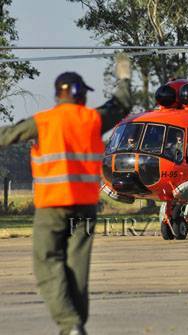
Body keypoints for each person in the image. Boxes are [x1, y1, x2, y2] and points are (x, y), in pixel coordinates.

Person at [0, 54, 132, 335]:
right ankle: (76, 325)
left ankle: (70, 325)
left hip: (53, 207)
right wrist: (124, 77)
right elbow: (121, 105)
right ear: (79, 94)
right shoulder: (93, 119)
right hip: (85, 207)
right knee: (77, 267)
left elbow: (7, 135)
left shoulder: (43, 121)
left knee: (47, 262)